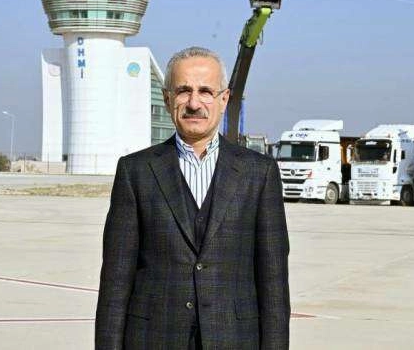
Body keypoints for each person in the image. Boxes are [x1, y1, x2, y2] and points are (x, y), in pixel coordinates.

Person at [96, 47, 290, 349]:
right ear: (167, 99)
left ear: (224, 99)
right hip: (152, 339)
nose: (194, 103)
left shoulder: (259, 173)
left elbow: (273, 282)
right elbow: (116, 280)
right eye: (183, 91)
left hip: (236, 339)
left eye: (206, 91)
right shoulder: (135, 172)